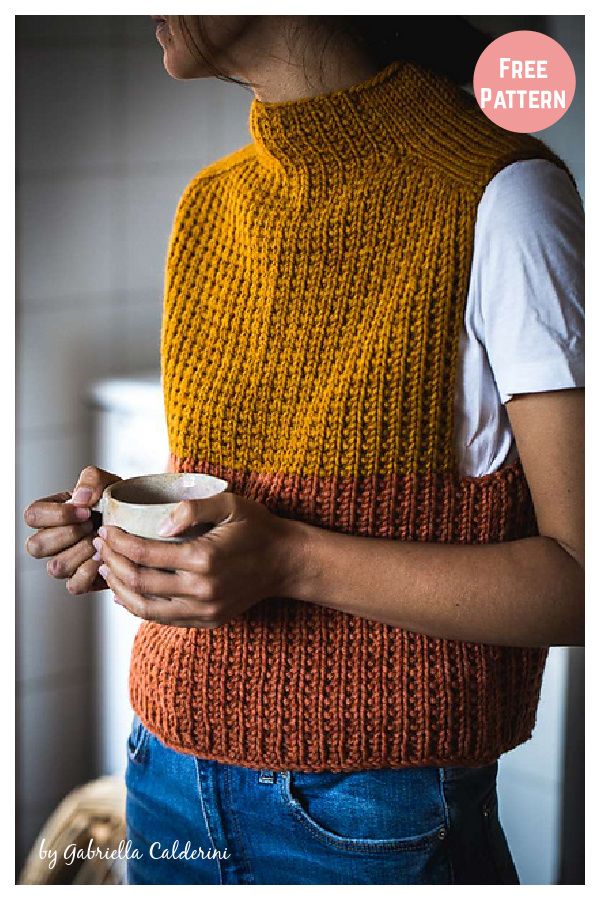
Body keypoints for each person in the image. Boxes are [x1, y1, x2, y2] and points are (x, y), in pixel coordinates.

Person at [23, 15, 584, 886]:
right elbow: (241, 506)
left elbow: (581, 583)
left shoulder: (503, 194)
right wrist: (129, 534)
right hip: (163, 768)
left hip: (371, 810)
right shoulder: (211, 205)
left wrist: (287, 560)